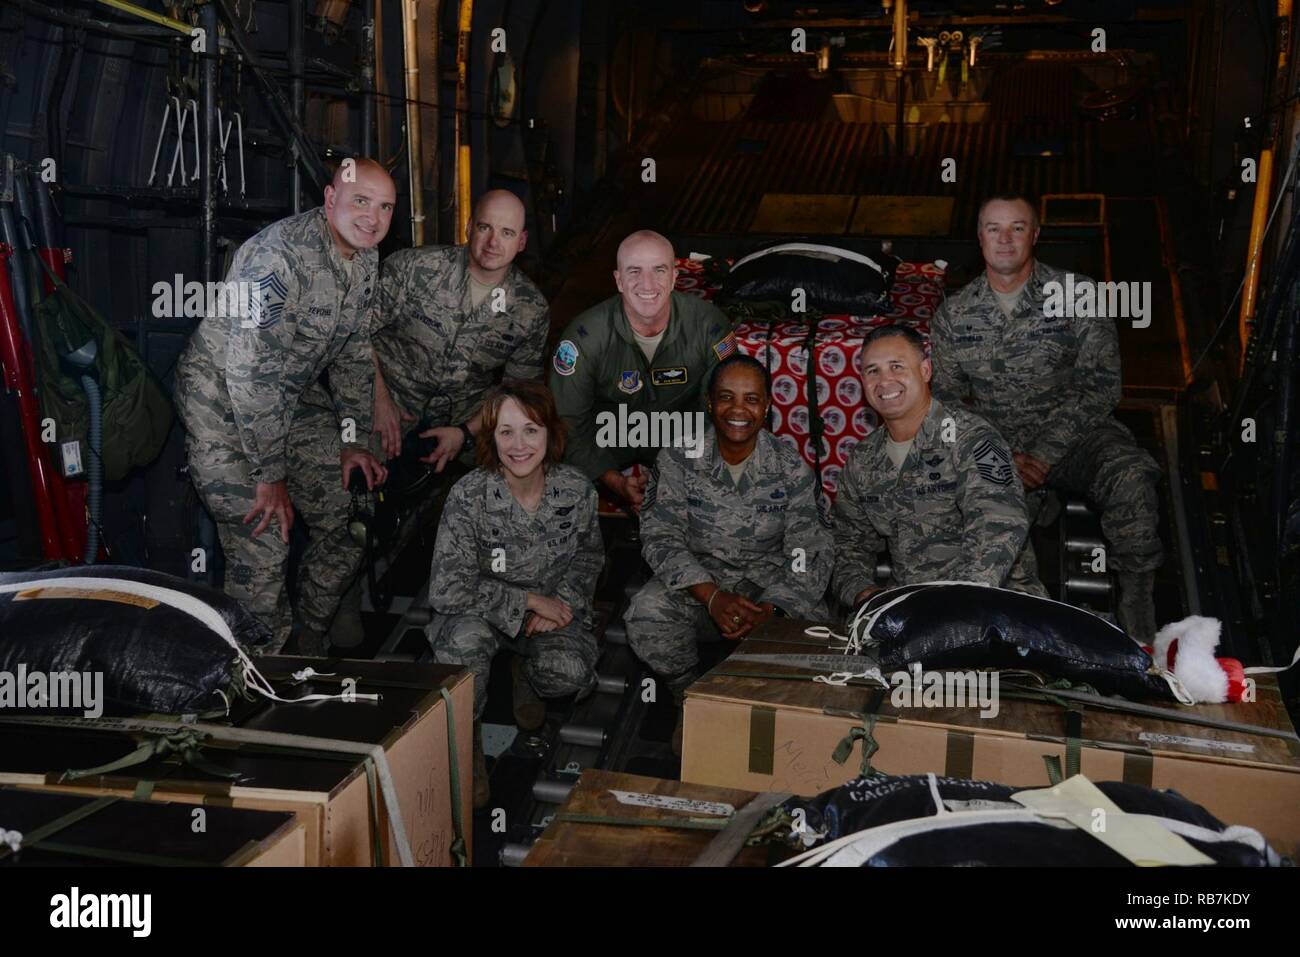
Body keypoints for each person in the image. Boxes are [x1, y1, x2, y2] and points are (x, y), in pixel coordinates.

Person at [174, 158, 394, 653]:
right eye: (361, 201)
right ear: (330, 198)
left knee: (352, 509)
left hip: (282, 405)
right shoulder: (280, 259)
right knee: (266, 540)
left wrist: (353, 441)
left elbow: (355, 351)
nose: (372, 218)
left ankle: (308, 634)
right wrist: (270, 476)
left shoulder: (364, 259)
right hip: (223, 408)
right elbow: (250, 376)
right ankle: (247, 680)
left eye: (385, 208)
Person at [322, 190, 550, 649]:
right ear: (469, 227)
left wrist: (464, 433)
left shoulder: (529, 309)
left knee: (515, 488)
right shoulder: (414, 269)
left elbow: (516, 395)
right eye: (485, 227)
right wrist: (379, 400)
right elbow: (354, 329)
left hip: (463, 420)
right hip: (385, 398)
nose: (492, 242)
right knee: (351, 493)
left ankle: (508, 622)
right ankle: (338, 592)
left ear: (521, 241)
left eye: (506, 233)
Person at [929, 193, 1163, 639]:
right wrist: (1002, 456)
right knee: (988, 517)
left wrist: (1043, 452)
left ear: (1035, 235)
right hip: (999, 448)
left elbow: (1100, 385)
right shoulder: (954, 315)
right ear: (979, 238)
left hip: (1076, 438)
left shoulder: (1079, 295)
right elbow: (948, 403)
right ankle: (1035, 629)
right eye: (993, 228)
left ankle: (1137, 604)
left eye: (1017, 227)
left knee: (1131, 475)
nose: (1005, 239)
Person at [625, 355, 834, 755]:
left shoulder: (791, 467)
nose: (739, 410)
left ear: (768, 406)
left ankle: (765, 707)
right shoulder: (677, 458)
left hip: (766, 590)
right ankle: (689, 698)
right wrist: (713, 596)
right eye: (726, 397)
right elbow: (660, 535)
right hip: (699, 587)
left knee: (816, 633)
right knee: (647, 613)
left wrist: (773, 610)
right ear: (709, 404)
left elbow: (811, 551)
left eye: (752, 399)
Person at [426, 380, 604, 807]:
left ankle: (527, 670)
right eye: (506, 432)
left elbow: (589, 560)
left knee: (569, 672)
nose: (519, 444)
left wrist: (560, 604)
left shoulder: (577, 491)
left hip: (547, 616)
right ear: (491, 439)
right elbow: (447, 588)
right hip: (482, 616)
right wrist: (524, 601)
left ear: (550, 433)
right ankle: (467, 755)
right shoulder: (468, 495)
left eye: (531, 429)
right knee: (461, 653)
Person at [832, 326, 1044, 611]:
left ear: (926, 370)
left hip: (994, 604)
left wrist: (953, 603)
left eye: (897, 366)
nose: (885, 380)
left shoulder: (972, 438)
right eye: (873, 371)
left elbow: (999, 524)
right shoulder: (862, 460)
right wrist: (863, 593)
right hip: (911, 607)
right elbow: (848, 544)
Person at [548, 230, 735, 512]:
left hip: (682, 437)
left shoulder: (709, 326)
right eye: (634, 271)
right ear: (618, 280)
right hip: (610, 438)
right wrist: (611, 479)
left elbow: (725, 410)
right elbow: (568, 422)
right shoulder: (583, 338)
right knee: (556, 476)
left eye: (659, 270)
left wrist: (682, 472)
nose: (647, 284)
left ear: (674, 276)